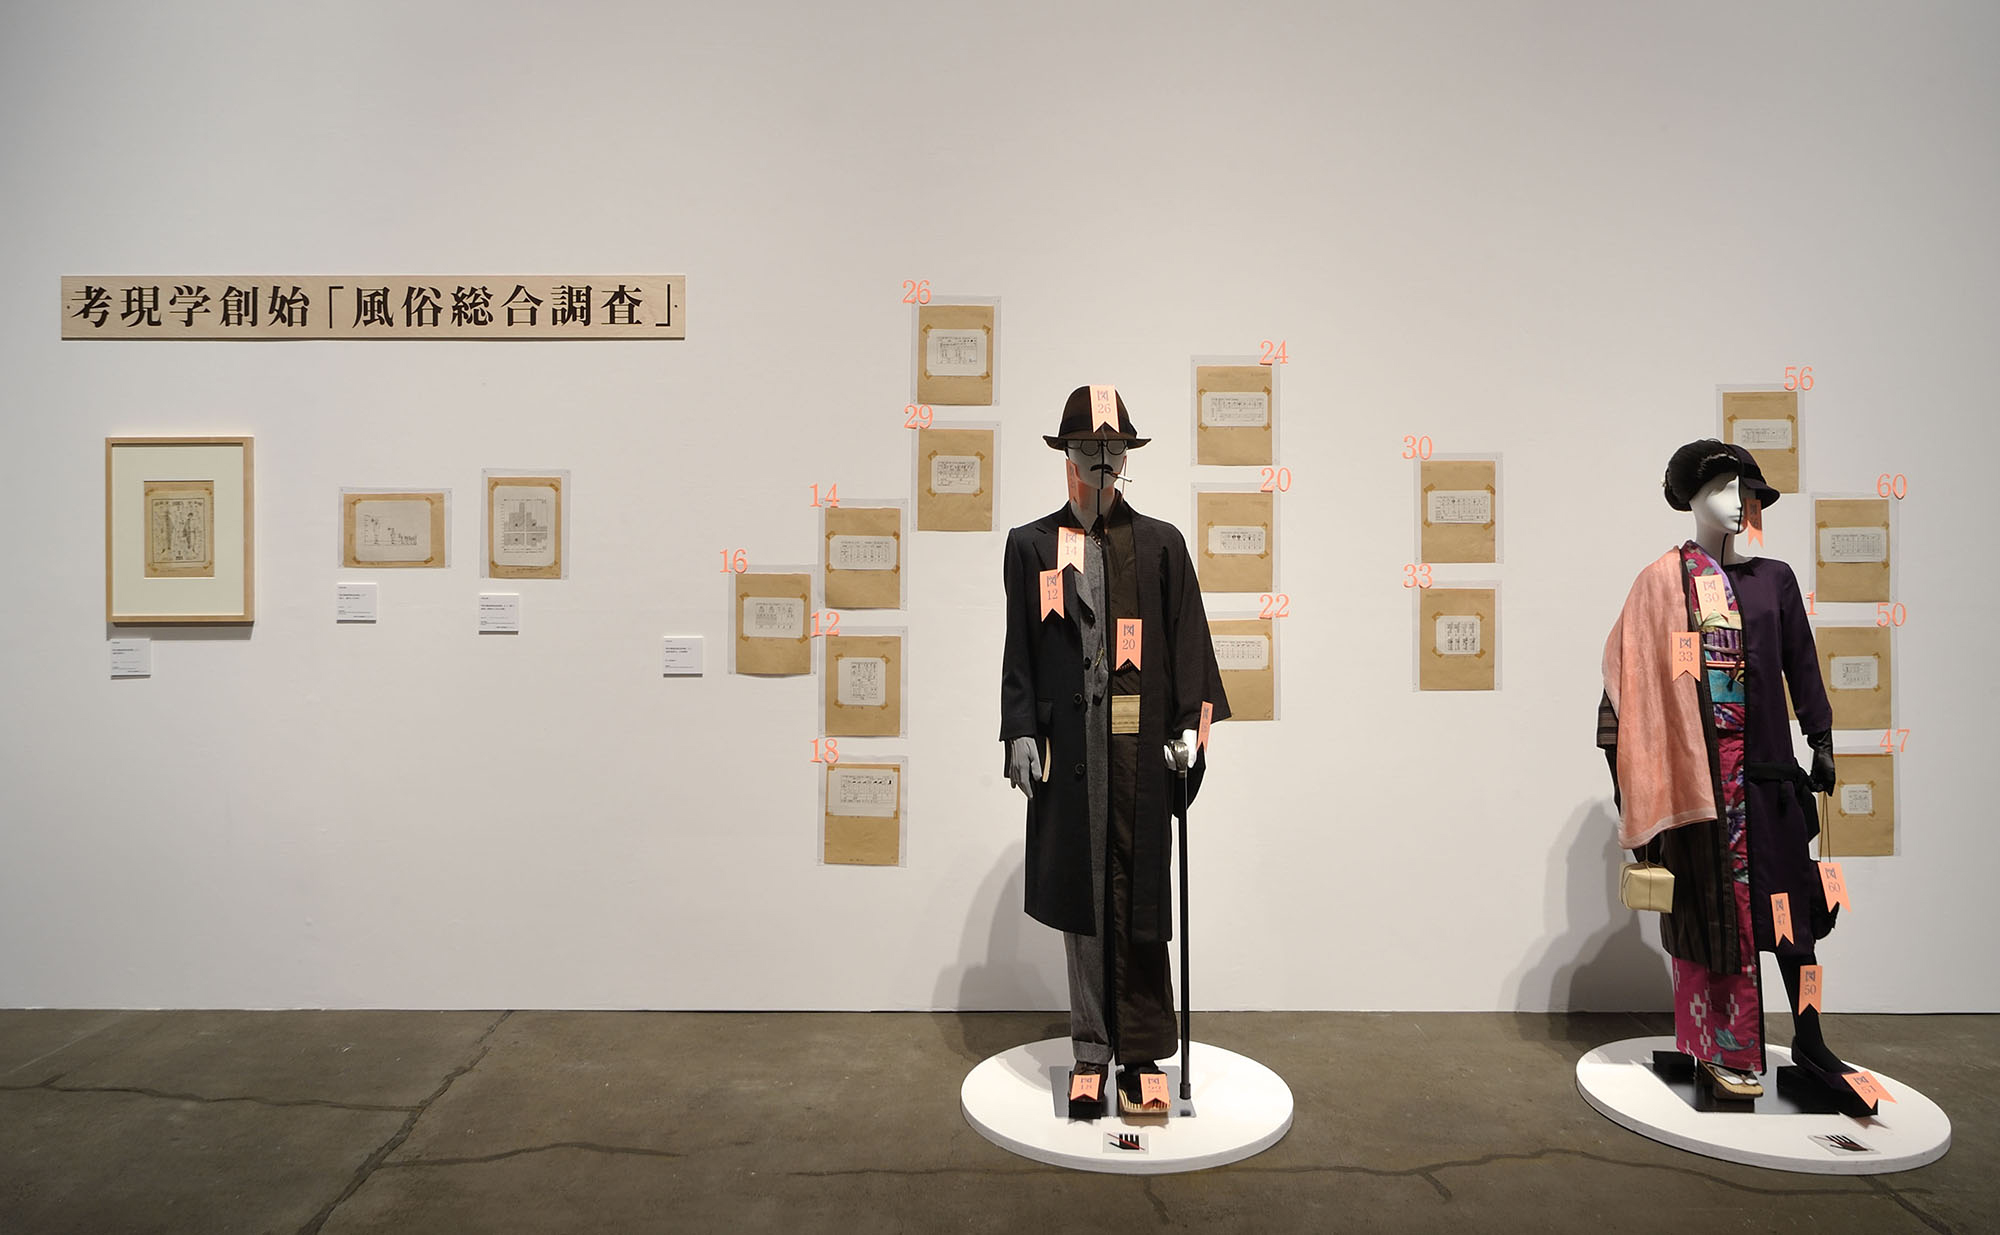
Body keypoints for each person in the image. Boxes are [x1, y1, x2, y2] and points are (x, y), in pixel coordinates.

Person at [1598, 440, 1866, 1109]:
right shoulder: (1664, 584)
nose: (1739, 501)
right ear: (1690, 497)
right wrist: (1642, 778)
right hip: (1704, 796)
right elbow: (1638, 685)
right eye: (1723, 486)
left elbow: (1801, 662)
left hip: (1770, 787)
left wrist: (1822, 737)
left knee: (1793, 928)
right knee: (1716, 925)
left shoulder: (1774, 580)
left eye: (1744, 488)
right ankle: (1722, 1046)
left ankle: (1811, 1036)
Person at [999, 385, 1229, 1117]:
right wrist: (1020, 728)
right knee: (1085, 896)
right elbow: (1020, 650)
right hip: (1070, 748)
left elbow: (1188, 640)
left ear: (1127, 455)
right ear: (1066, 456)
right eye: (1088, 446)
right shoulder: (1032, 544)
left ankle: (1144, 1051)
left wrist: (1190, 727)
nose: (1101, 457)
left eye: (1113, 446)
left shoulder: (1160, 544)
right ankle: (1091, 1048)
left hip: (1139, 745)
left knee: (1141, 892)